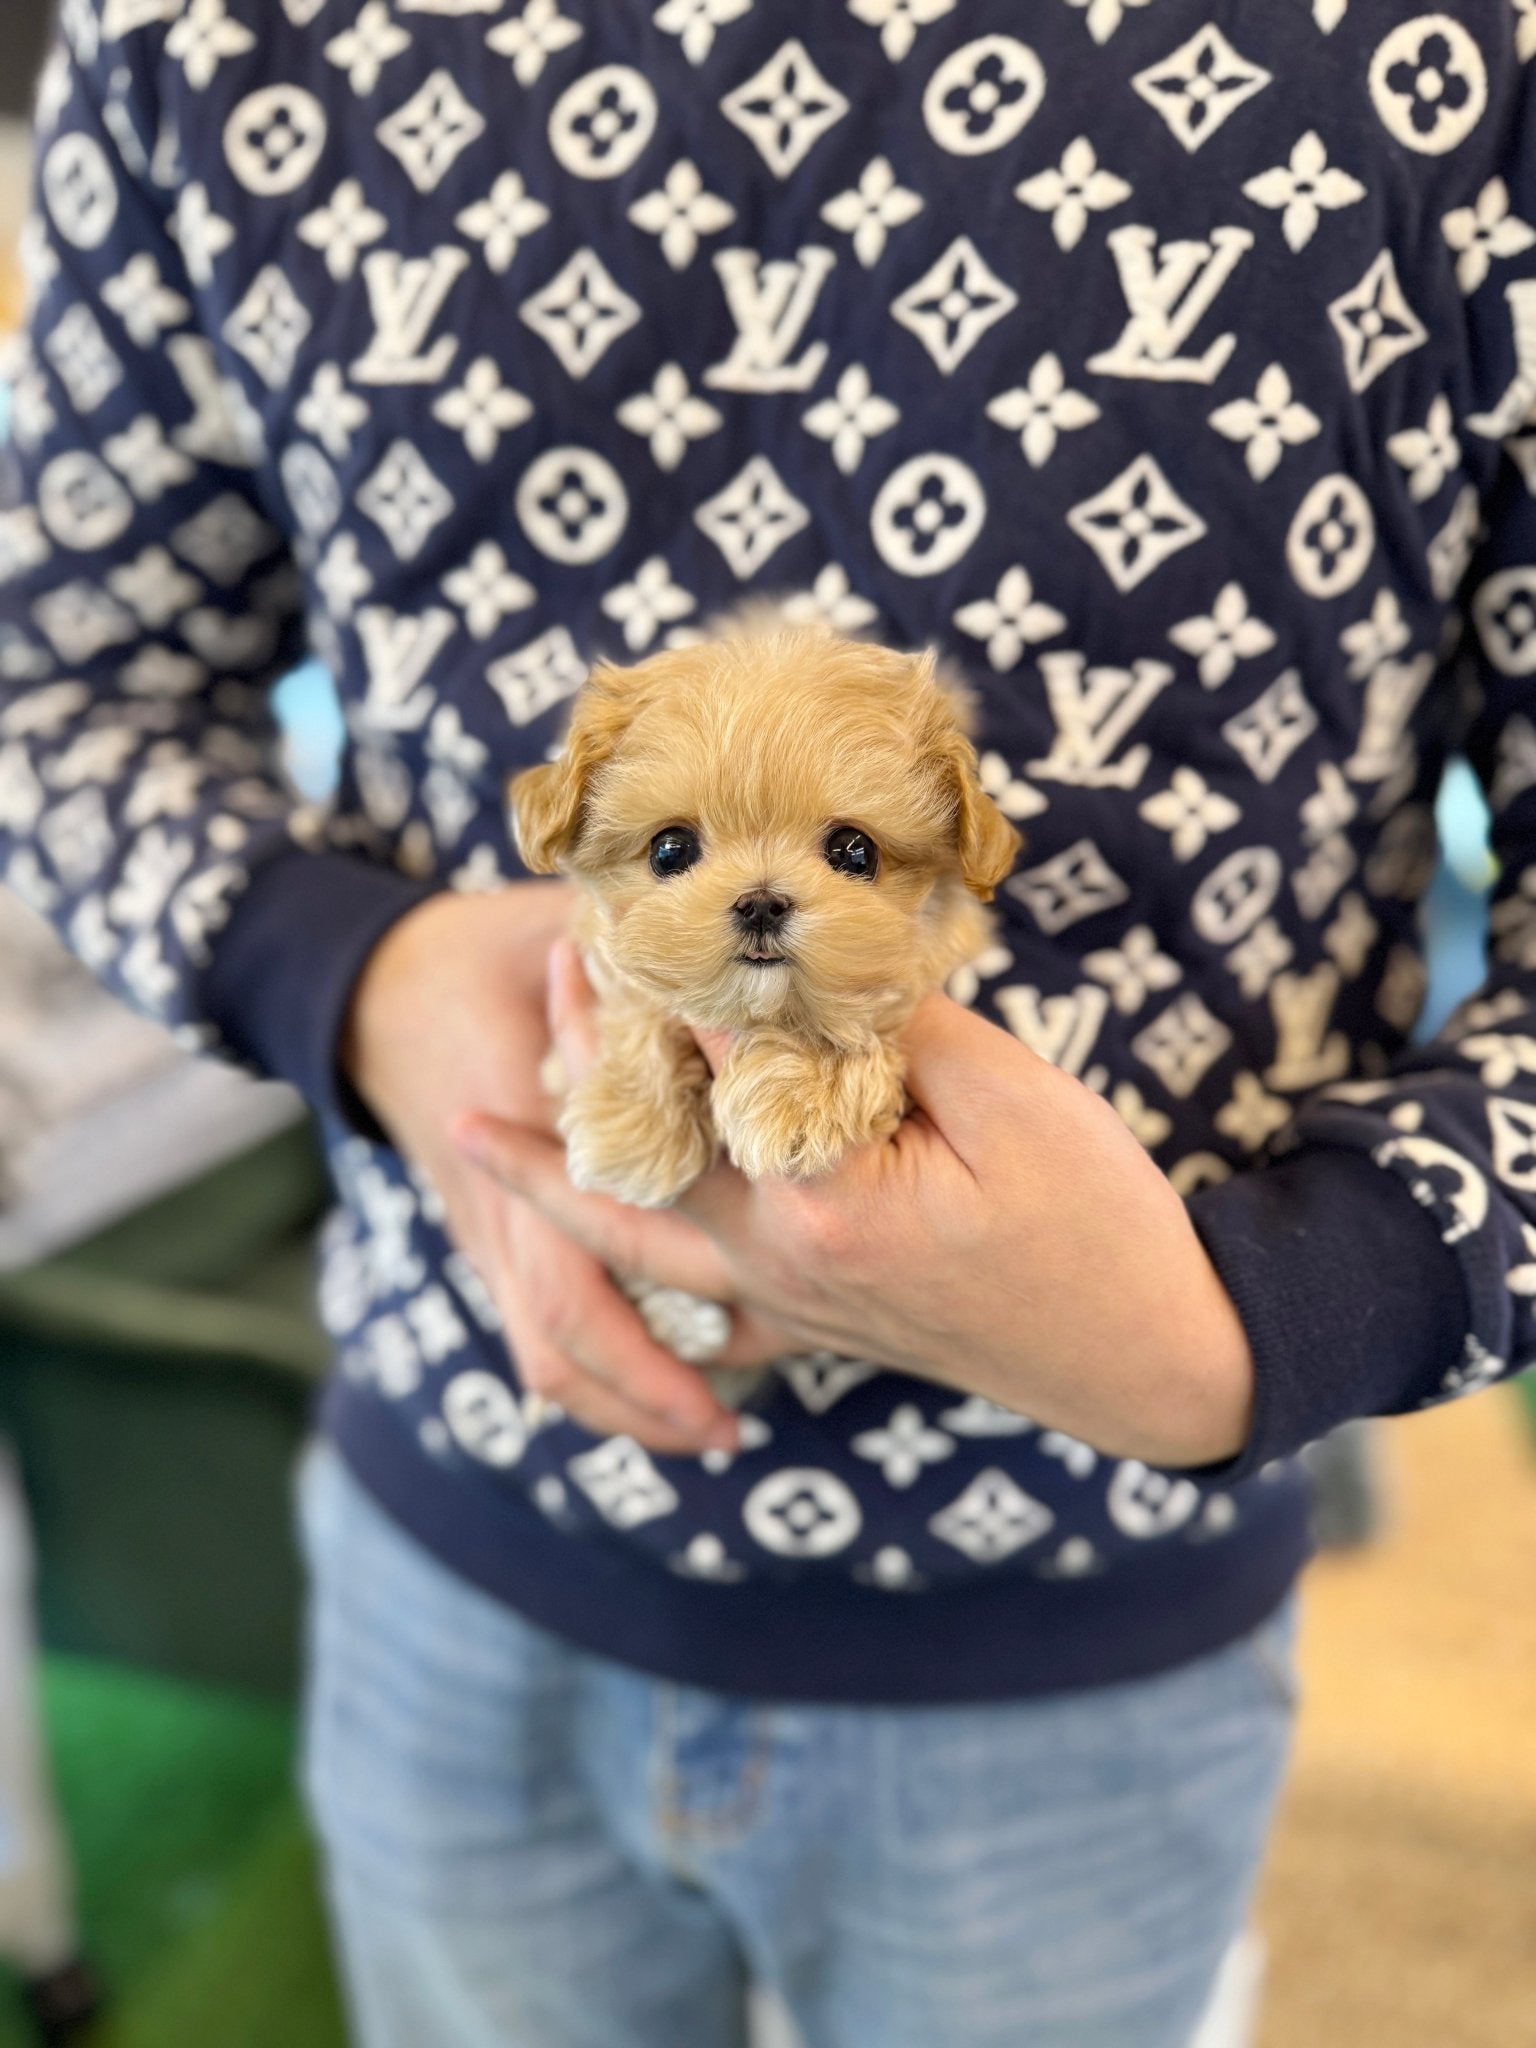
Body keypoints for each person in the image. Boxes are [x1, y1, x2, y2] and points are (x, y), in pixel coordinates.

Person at [2, 3, 1533, 2041]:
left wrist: (1263, 1314)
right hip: (450, 1544)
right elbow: (55, 687)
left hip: (1092, 1629)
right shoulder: (201, 26)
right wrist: (355, 978)